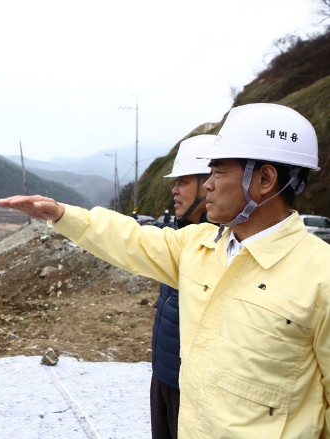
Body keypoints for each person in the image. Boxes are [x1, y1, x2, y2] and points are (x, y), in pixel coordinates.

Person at [0, 103, 329, 439]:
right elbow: (132, 240)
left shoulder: (320, 276)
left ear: (265, 179)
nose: (208, 185)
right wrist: (64, 215)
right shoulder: (199, 245)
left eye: (218, 172)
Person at [151, 135, 214, 439]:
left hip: (192, 390)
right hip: (164, 374)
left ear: (209, 183)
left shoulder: (225, 247)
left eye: (184, 181)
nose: (174, 189)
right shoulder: (181, 235)